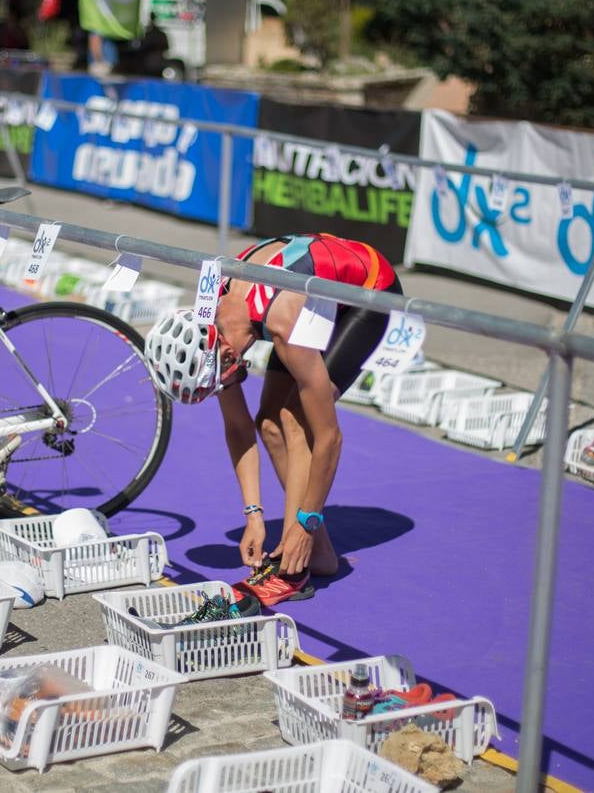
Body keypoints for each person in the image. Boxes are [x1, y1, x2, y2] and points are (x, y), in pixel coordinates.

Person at [143, 234, 404, 606]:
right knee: (269, 422)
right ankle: (319, 555)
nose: (225, 389)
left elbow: (329, 438)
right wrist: (254, 516)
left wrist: (306, 522)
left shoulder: (282, 325)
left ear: (229, 355)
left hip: (367, 291)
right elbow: (239, 427)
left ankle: (295, 568)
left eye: (221, 382)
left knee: (297, 418)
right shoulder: (209, 323)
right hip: (306, 293)